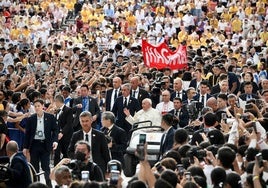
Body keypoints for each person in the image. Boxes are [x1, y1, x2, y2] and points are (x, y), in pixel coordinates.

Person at [23, 99, 58, 188]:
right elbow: (27, 134)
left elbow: (55, 130)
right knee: (35, 167)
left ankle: (49, 185)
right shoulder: (31, 118)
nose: (37, 108)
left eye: (39, 106)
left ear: (43, 106)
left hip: (45, 144)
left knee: (46, 166)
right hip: (34, 144)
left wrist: (55, 141)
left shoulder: (50, 117)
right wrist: (25, 147)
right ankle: (36, 185)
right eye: (35, 106)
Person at [53, 94, 74, 166]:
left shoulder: (68, 110)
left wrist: (62, 133)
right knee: (56, 153)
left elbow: (69, 124)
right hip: (58, 136)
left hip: (66, 135)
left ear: (57, 101)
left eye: (55, 102)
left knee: (66, 153)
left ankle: (67, 169)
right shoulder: (57, 111)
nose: (54, 103)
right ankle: (56, 169)